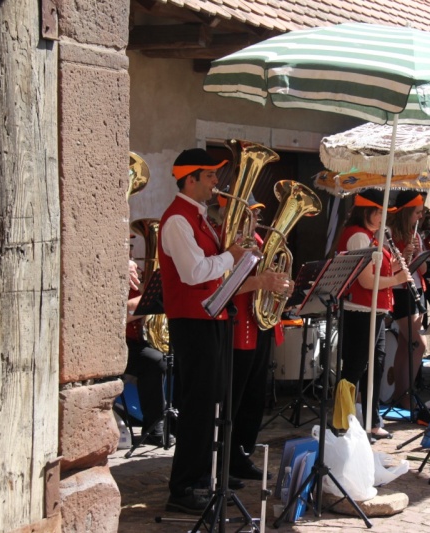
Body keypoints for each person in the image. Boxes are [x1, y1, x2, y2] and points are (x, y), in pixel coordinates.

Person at [158, 148, 247, 514]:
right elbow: (194, 272)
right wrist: (232, 257)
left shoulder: (199, 217)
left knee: (209, 403)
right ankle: (183, 487)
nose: (216, 182)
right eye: (210, 175)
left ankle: (201, 478)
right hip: (192, 321)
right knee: (196, 405)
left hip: (211, 318)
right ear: (190, 178)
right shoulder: (178, 220)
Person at [337, 189, 411, 440]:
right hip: (359, 310)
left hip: (376, 310)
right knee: (356, 366)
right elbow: (367, 281)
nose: (383, 217)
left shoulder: (372, 237)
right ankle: (343, 421)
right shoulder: (358, 237)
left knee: (376, 365)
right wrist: (398, 278)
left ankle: (372, 420)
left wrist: (397, 267)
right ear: (366, 211)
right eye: (379, 212)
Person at [226, 201, 292, 480]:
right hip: (238, 324)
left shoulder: (261, 241)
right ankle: (226, 459)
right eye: (249, 214)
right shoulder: (228, 241)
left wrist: (283, 286)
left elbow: (275, 277)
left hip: (262, 322)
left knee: (255, 396)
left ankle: (242, 455)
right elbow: (224, 283)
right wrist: (262, 282)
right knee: (236, 397)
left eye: (256, 214)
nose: (255, 219)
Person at [387, 191, 428, 411]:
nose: (420, 217)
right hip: (399, 290)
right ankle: (405, 393)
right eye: (417, 213)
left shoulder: (417, 236)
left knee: (405, 345)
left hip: (416, 289)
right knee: (418, 345)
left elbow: (423, 269)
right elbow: (388, 266)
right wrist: (404, 254)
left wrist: (419, 253)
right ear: (406, 213)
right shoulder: (390, 234)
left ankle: (398, 393)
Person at [125, 257, 171, 446]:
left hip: (133, 342)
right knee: (153, 361)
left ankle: (154, 426)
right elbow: (124, 312)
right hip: (113, 342)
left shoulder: (132, 276)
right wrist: (150, 298)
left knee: (158, 360)